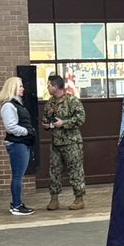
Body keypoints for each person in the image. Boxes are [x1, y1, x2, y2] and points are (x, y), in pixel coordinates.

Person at [43, 74, 86, 210]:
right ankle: (54, 199)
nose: (48, 88)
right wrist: (46, 124)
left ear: (56, 87)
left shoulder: (72, 101)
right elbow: (46, 117)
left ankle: (79, 199)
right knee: (54, 171)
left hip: (71, 142)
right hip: (56, 142)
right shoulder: (50, 103)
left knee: (75, 170)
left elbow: (81, 118)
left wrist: (64, 123)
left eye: (49, 85)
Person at [0, 76, 36, 216]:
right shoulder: (9, 106)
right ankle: (16, 205)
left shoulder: (17, 104)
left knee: (18, 175)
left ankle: (17, 202)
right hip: (17, 144)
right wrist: (27, 131)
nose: (23, 88)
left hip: (22, 143)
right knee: (17, 176)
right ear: (13, 88)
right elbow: (10, 127)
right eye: (20, 86)